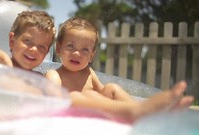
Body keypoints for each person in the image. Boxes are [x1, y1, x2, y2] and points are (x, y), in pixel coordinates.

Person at [0, 11, 194, 122]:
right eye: (27, 42)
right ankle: (134, 113)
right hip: (2, 116)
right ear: (11, 40)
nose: (34, 50)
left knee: (95, 91)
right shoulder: (7, 64)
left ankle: (142, 113)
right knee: (69, 96)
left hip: (33, 114)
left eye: (42, 47)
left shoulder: (37, 75)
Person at [45, 17, 194, 122]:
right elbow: (53, 100)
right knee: (72, 96)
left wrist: (107, 98)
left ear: (92, 55)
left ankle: (141, 110)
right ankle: (137, 112)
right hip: (77, 113)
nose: (77, 53)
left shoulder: (88, 73)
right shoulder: (55, 75)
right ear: (58, 48)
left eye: (85, 50)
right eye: (70, 46)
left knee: (111, 88)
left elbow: (104, 93)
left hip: (104, 111)